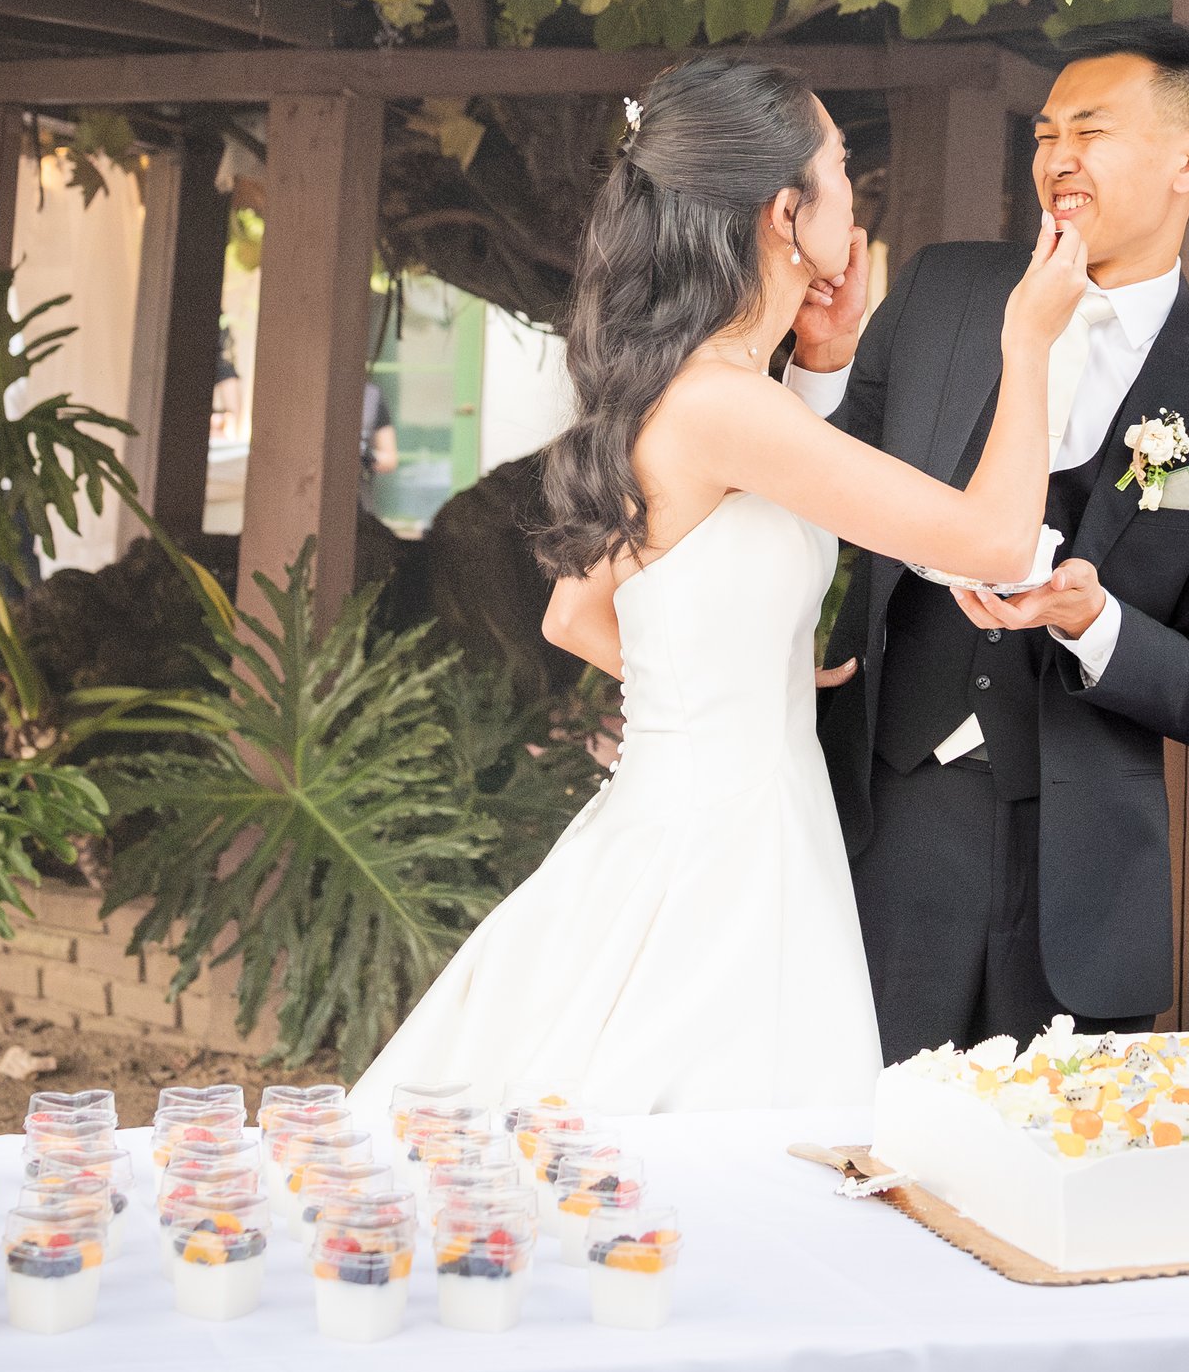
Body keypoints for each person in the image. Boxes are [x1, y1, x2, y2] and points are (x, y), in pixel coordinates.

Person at [348, 54, 1088, 1120]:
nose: (854, 189)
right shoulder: (720, 406)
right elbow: (990, 535)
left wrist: (739, 689)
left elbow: (576, 613)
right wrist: (1030, 341)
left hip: (693, 816)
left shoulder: (700, 388)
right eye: (839, 168)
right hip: (727, 858)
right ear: (788, 213)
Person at [794, 21, 1189, 1061]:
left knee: (1054, 1178)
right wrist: (820, 369)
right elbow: (818, 480)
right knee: (863, 1148)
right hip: (891, 820)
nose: (1057, 156)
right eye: (1044, 132)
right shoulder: (942, 294)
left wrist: (1098, 621)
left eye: (1091, 129)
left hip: (1082, 879)